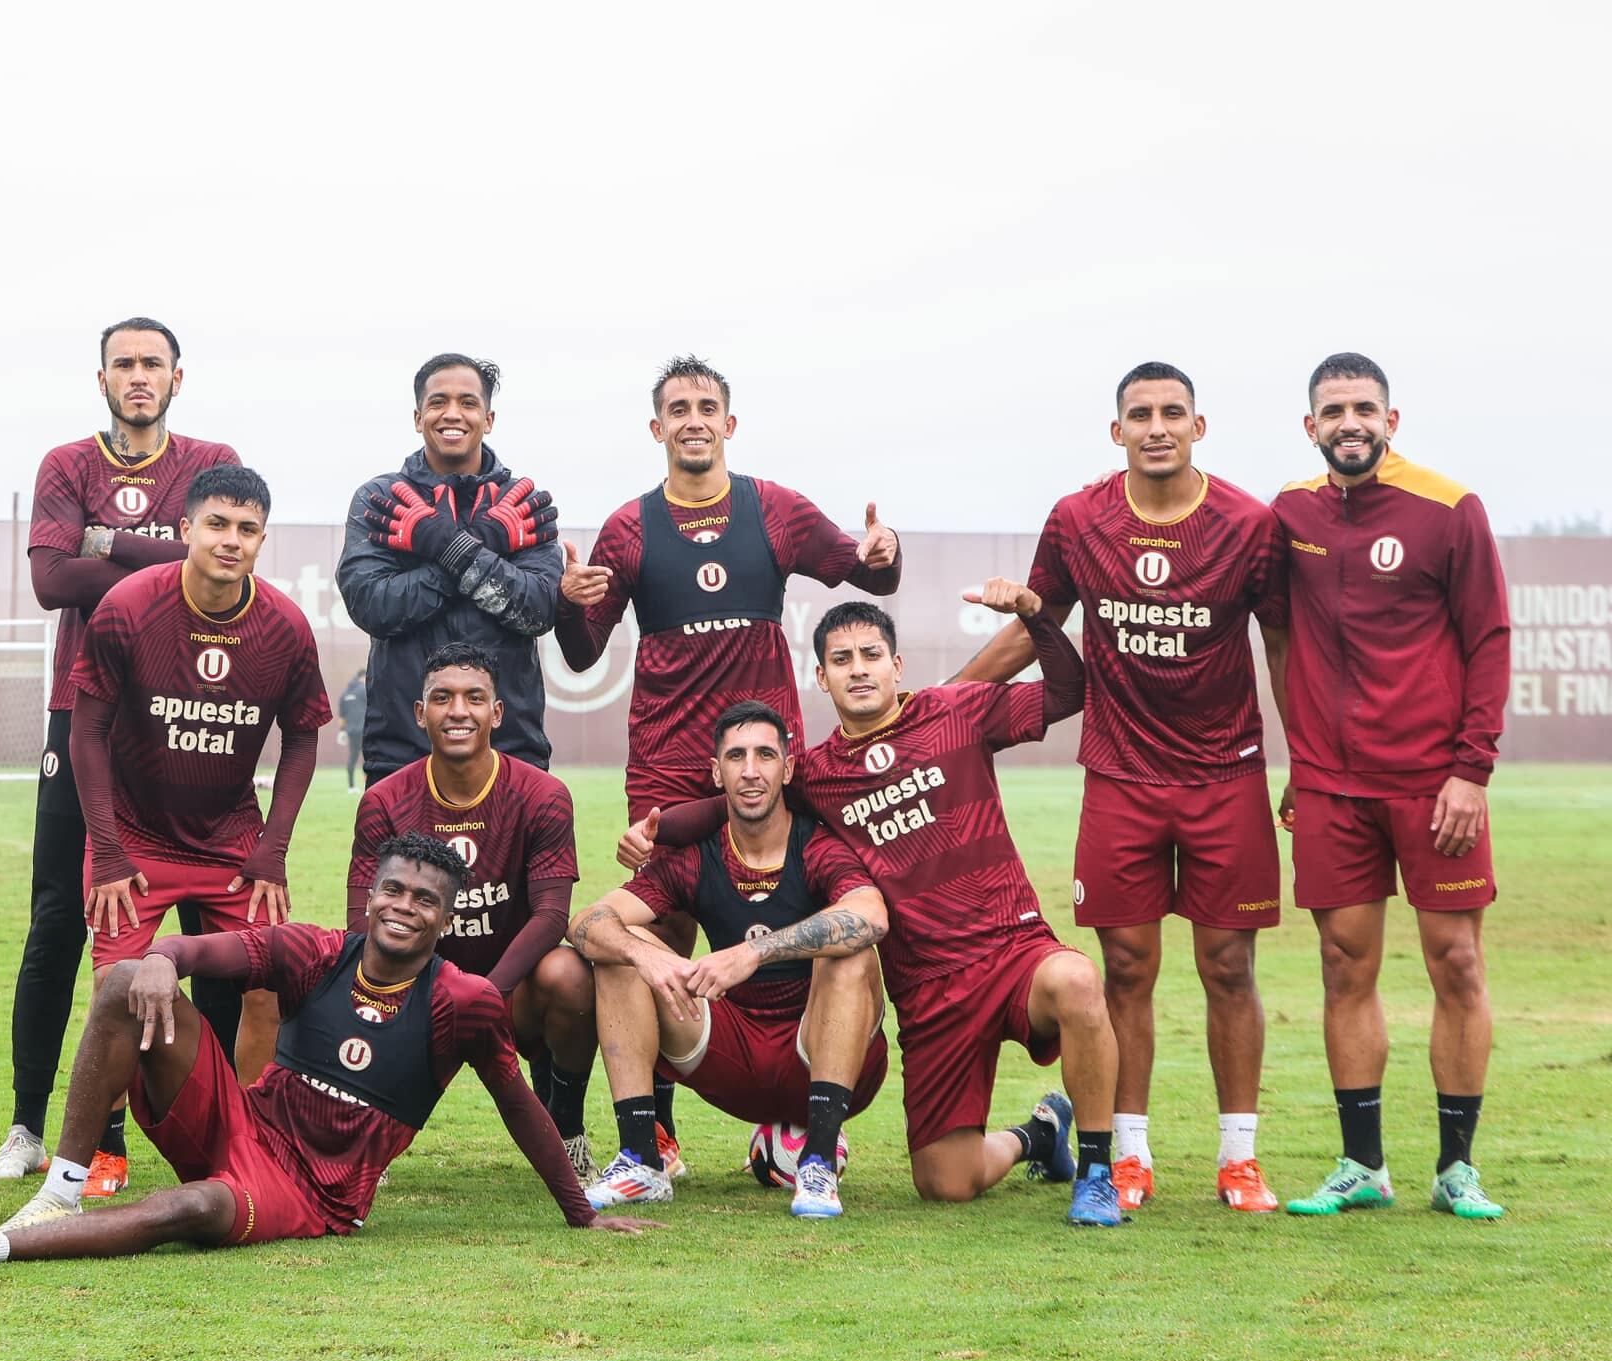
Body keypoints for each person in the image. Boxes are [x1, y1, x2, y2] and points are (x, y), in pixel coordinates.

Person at [0, 834, 658, 1270]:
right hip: (241, 1123)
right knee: (127, 978)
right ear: (371, 895)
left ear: (446, 918)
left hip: (314, 1192)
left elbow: (518, 1104)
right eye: (394, 891)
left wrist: (579, 1213)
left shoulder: (465, 1002)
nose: (404, 908)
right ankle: (58, 1194)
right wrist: (162, 956)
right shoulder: (316, 951)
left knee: (195, 1206)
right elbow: (200, 950)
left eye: (425, 900)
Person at [628, 593, 1126, 1227]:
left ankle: (1098, 1174)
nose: (858, 668)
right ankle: (1039, 1134)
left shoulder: (956, 711)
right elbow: (745, 797)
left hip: (1012, 952)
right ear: (821, 677)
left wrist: (1034, 612)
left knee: (1077, 979)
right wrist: (658, 830)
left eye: (870, 654)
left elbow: (1068, 693)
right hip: (927, 990)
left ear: (897, 665)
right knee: (945, 1182)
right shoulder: (817, 774)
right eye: (842, 659)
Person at [951, 362, 1285, 1214]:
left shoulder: (1250, 525)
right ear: (1118, 431)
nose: (1157, 427)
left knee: (1229, 966)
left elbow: (1284, 646)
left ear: (1198, 427)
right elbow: (1037, 628)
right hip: (1120, 775)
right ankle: (1128, 1156)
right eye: (1141, 414)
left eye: (1173, 412)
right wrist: (941, 708)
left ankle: (1239, 1158)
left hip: (1225, 775)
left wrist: (1311, 766)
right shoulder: (1078, 519)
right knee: (1126, 969)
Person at [554, 354, 902, 1158]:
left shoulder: (773, 508)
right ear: (657, 428)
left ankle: (795, 1103)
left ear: (730, 423)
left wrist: (882, 555)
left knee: (796, 910)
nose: (694, 420)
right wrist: (568, 607)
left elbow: (864, 574)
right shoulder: (630, 527)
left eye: (706, 406)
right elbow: (580, 651)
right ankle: (657, 1133)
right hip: (667, 761)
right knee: (661, 934)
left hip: (763, 758)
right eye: (678, 409)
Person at [0, 317, 245, 1197]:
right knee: (60, 919)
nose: (139, 376)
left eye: (153, 364)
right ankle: (31, 1125)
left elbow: (221, 566)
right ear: (101, 379)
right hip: (82, 714)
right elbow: (51, 581)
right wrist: (172, 559)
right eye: (124, 364)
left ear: (178, 378)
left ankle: (222, 1127)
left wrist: (105, 542)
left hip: (187, 719)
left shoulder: (211, 460)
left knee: (211, 930)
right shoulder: (68, 464)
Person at [1264, 353, 1509, 1220]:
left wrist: (1470, 771)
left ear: (1391, 420)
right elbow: (1279, 637)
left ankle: (1456, 1169)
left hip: (1435, 785)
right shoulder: (1290, 513)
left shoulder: (1450, 507)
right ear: (1311, 426)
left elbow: (1489, 639)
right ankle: (1362, 1165)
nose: (1350, 423)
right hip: (1333, 788)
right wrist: (1302, 758)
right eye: (1333, 411)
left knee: (1457, 962)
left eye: (1364, 408)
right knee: (1343, 966)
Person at [568, 700, 890, 1219]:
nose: (751, 770)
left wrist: (753, 952)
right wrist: (645, 957)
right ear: (717, 773)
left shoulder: (817, 844)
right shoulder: (699, 856)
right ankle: (641, 1160)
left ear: (788, 768)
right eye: (736, 756)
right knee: (620, 949)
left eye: (765, 755)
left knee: (850, 952)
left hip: (822, 1053)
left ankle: (819, 1161)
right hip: (733, 1058)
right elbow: (586, 921)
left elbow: (871, 915)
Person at [73, 462, 329, 1103]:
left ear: (262, 539)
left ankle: (252, 1138)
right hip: (133, 840)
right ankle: (106, 1145)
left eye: (247, 529)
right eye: (217, 523)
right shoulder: (128, 607)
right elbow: (88, 734)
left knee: (270, 989)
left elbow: (302, 739)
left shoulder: (286, 627)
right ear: (186, 529)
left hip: (233, 842)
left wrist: (273, 848)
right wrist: (108, 853)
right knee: (115, 989)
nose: (230, 540)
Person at [346, 644, 590, 1175]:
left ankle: (568, 1130)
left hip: (512, 988)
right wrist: (424, 999)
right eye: (443, 698)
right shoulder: (385, 801)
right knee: (357, 982)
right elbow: (361, 922)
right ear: (420, 713)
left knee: (570, 975)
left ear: (497, 713)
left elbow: (552, 914)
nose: (458, 711)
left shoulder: (543, 794)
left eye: (474, 698)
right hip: (420, 988)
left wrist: (486, 997)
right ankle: (367, 1140)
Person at [336, 353, 561, 787]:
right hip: (400, 753)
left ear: (488, 419)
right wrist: (481, 543)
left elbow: (537, 610)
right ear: (418, 417)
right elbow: (372, 606)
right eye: (438, 402)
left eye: (468, 402)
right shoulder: (381, 499)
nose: (452, 414)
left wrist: (440, 544)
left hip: (511, 750)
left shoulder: (522, 501)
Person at [337, 667, 368, 792]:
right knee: (368, 757)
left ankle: (351, 787)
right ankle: (368, 785)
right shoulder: (363, 690)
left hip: (350, 731)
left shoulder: (344, 694)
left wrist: (342, 731)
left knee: (353, 757)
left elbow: (342, 716)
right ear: (363, 677)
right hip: (364, 729)